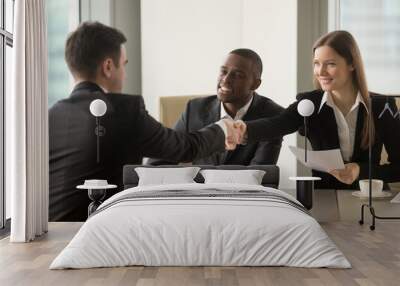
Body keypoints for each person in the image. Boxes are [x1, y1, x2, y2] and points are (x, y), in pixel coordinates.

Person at [49, 21, 237, 221]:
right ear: (108, 67)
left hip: (49, 236)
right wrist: (224, 127)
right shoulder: (124, 110)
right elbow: (185, 148)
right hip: (100, 232)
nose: (125, 74)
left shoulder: (51, 114)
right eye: (124, 65)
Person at [230, 30, 400, 189]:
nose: (321, 71)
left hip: (371, 199)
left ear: (352, 64)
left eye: (330, 64)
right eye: (317, 64)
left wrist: (360, 170)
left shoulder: (382, 106)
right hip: (323, 197)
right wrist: (244, 129)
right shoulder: (309, 103)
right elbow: (277, 124)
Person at [149, 49, 284, 166]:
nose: (225, 80)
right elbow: (160, 160)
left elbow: (260, 175)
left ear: (255, 84)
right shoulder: (194, 109)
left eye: (237, 75)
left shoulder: (273, 116)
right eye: (223, 72)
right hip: (198, 193)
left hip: (244, 195)